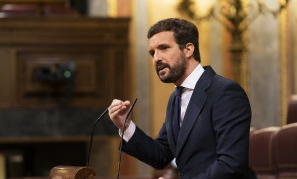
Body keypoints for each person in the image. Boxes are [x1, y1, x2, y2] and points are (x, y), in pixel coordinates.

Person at [108, 18, 257, 179]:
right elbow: (161, 155)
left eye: (164, 48)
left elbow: (231, 164)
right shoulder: (175, 98)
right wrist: (126, 125)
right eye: (152, 53)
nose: (156, 58)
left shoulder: (225, 92)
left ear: (188, 49)